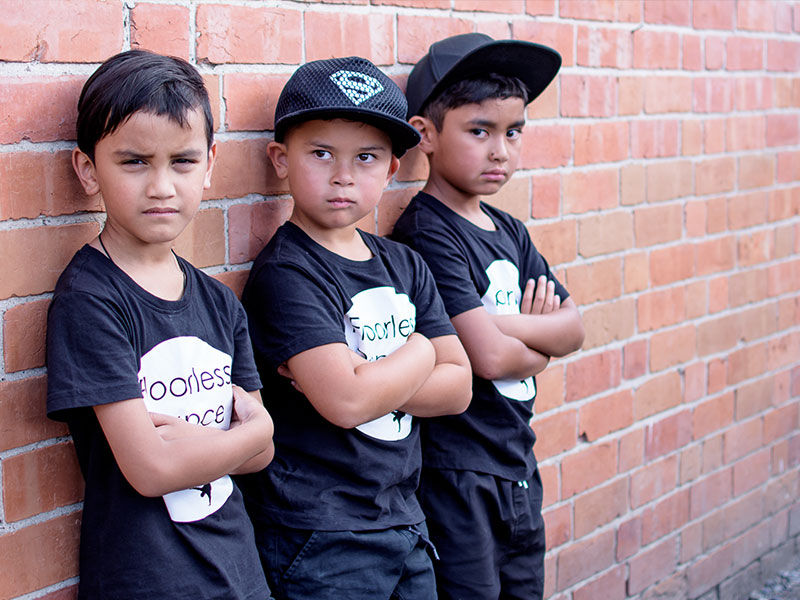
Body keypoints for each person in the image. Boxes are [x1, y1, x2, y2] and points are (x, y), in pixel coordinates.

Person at [236, 56, 472, 600]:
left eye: (365, 157)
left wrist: (372, 379)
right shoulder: (287, 273)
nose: (343, 175)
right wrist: (417, 353)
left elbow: (459, 386)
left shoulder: (405, 264)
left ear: (391, 169)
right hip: (320, 535)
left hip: (404, 520)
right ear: (280, 159)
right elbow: (344, 401)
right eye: (321, 154)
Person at [45, 50, 274, 600]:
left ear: (211, 164)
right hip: (148, 580)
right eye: (134, 162)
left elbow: (263, 456)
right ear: (87, 170)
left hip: (239, 571)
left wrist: (239, 439)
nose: (162, 186)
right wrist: (250, 431)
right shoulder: (92, 300)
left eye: (183, 161)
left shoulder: (219, 302)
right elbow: (149, 469)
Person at [391, 33, 586, 600]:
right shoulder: (426, 231)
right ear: (426, 135)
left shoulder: (511, 233)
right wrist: (533, 340)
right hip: (459, 473)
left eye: (513, 132)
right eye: (479, 131)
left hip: (518, 461)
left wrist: (501, 323)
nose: (500, 150)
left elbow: (574, 327)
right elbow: (491, 357)